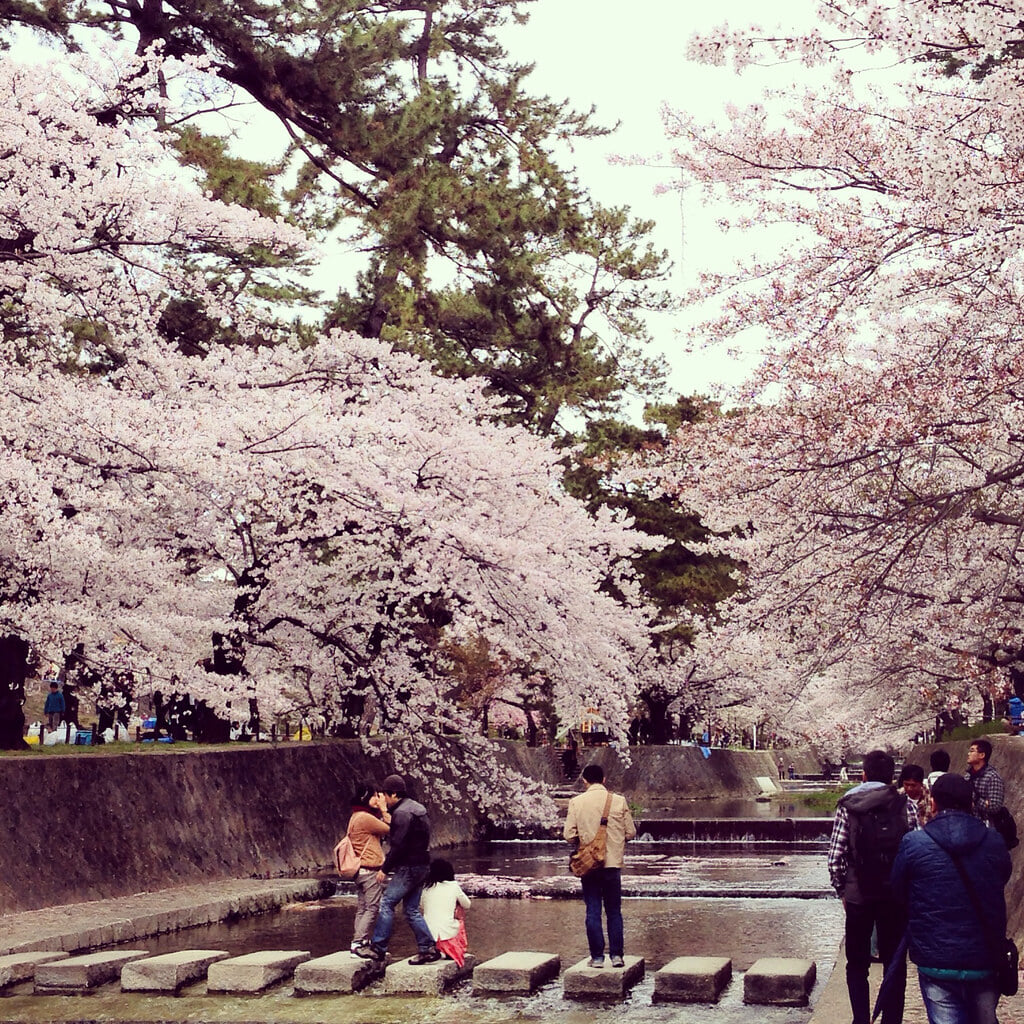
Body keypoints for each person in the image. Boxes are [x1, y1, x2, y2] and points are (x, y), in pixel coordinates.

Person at [891, 773, 1012, 1024]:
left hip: (936, 957)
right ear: (970, 803)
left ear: (933, 803)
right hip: (985, 955)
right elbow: (1002, 876)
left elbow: (899, 892)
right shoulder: (994, 842)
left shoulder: (914, 843)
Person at [827, 749, 919, 1024]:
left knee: (857, 964)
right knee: (894, 963)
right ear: (893, 776)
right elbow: (916, 852)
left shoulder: (847, 805)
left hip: (858, 896)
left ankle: (861, 1020)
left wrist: (842, 891)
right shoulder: (907, 805)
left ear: (863, 774)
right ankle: (891, 1020)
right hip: (895, 896)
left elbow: (835, 858)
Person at [355, 773, 437, 964]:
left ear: (392, 794)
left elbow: (398, 845)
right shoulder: (417, 808)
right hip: (423, 865)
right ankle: (428, 948)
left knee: (387, 903)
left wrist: (385, 868)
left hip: (408, 867)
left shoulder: (401, 813)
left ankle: (378, 947)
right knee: (411, 910)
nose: (383, 798)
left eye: (384, 794)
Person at [564, 763, 636, 969]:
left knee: (593, 910)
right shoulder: (618, 801)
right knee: (614, 911)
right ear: (604, 780)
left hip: (589, 865)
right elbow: (630, 832)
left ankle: (597, 958)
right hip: (612, 865)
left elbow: (568, 835)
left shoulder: (576, 802)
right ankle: (617, 956)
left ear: (585, 781)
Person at [346, 783, 391, 957]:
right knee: (372, 907)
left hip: (360, 871)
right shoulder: (365, 817)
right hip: (369, 869)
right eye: (373, 796)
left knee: (363, 907)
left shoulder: (356, 816)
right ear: (365, 798)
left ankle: (360, 941)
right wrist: (384, 808)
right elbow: (391, 827)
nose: (376, 799)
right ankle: (357, 944)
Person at [420, 857, 471, 966]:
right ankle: (451, 949)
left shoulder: (426, 887)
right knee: (459, 920)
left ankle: (435, 950)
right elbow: (467, 904)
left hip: (428, 933)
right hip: (448, 933)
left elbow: (421, 906)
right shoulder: (453, 886)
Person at [964, 739, 1005, 827]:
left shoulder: (992, 777)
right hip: (969, 824)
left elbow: (994, 806)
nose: (968, 754)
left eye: (972, 751)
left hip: (987, 827)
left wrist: (975, 800)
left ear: (982, 755)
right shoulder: (968, 776)